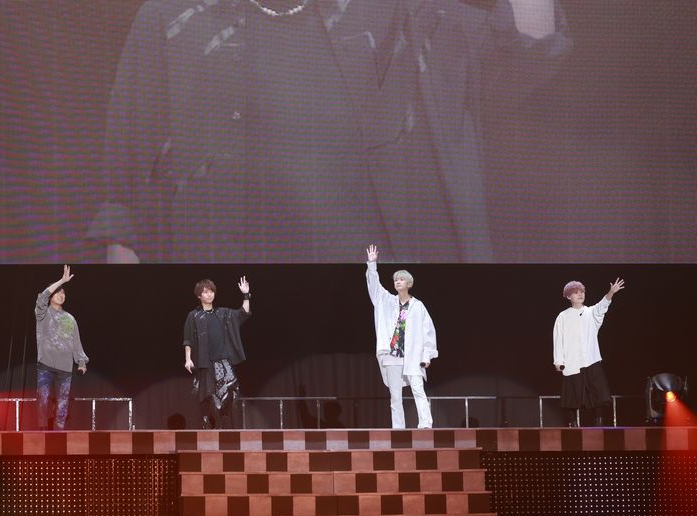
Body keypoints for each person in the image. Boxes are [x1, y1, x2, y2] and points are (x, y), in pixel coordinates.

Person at [89, 0, 571, 263]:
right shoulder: (172, 19)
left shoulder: (394, 15)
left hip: (369, 333)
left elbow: (526, 49)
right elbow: (126, 212)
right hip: (236, 331)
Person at [366, 244, 438, 428]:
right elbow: (374, 288)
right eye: (396, 280)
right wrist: (372, 265)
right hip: (392, 354)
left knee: (418, 389)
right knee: (395, 396)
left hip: (412, 355)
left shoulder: (418, 306)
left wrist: (427, 356)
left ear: (408, 284)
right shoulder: (386, 301)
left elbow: (428, 332)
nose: (397, 282)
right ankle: (398, 429)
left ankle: (426, 423)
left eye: (401, 279)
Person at [553, 277, 625, 427]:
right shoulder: (563, 316)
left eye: (582, 291)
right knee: (572, 396)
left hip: (591, 360)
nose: (580, 294)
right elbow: (558, 339)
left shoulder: (591, 312)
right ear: (568, 296)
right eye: (576, 292)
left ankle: (599, 422)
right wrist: (559, 361)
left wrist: (611, 292)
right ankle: (572, 424)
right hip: (572, 362)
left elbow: (603, 305)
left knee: (598, 392)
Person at [183, 276, 251, 429]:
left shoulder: (223, 313)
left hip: (223, 360)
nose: (209, 294)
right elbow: (188, 339)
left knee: (230, 390)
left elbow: (243, 313)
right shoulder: (193, 316)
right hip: (205, 362)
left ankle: (224, 422)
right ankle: (205, 423)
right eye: (206, 292)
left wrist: (245, 295)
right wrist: (188, 359)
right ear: (199, 295)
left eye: (211, 291)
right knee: (206, 393)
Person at [35, 265, 89, 430]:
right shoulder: (43, 313)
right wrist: (62, 281)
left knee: (63, 403)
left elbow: (76, 342)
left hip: (65, 368)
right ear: (51, 296)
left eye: (63, 293)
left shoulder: (70, 319)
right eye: (57, 292)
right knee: (43, 399)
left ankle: (59, 432)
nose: (61, 295)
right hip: (45, 365)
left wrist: (81, 362)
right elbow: (42, 297)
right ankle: (43, 430)